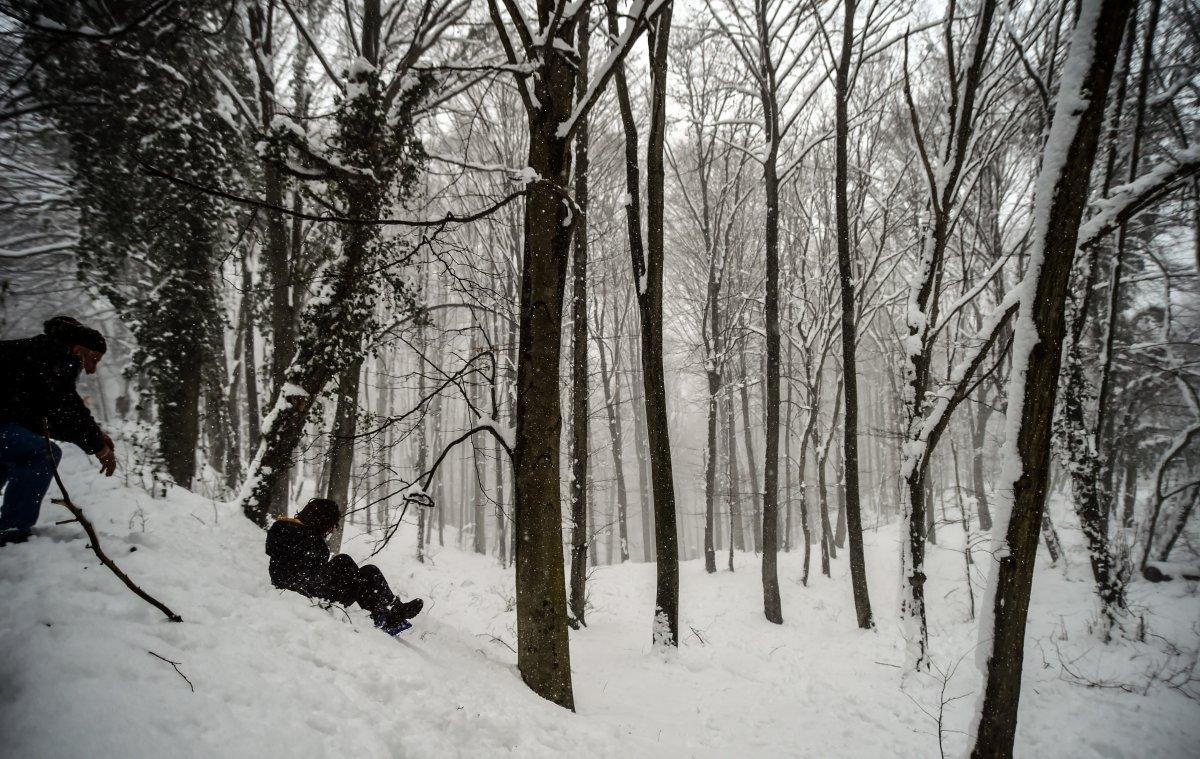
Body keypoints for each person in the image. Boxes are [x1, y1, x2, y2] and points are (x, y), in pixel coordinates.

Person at [0, 316, 117, 545]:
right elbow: (64, 408)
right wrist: (97, 445)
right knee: (44, 453)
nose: (92, 369)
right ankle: (12, 531)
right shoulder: (56, 356)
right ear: (77, 349)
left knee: (13, 453)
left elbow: (44, 417)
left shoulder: (40, 353)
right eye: (93, 359)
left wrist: (94, 435)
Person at [266, 498, 423, 635]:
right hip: (303, 592)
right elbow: (304, 573)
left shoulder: (287, 529)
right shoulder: (308, 538)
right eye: (332, 525)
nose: (333, 530)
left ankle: (392, 610)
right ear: (321, 520)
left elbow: (305, 567)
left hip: (307, 587)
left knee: (365, 571)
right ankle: (386, 615)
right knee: (349, 565)